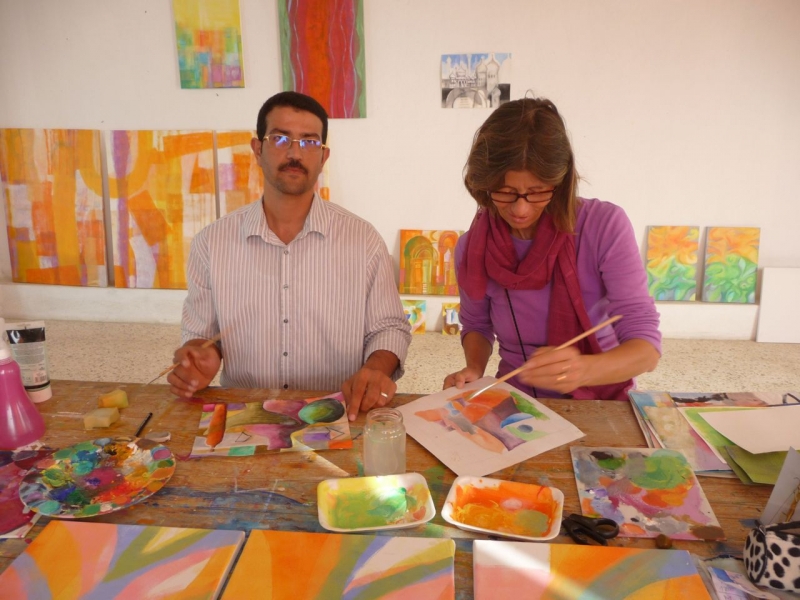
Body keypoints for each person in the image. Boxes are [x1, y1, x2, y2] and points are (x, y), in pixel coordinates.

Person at [168, 92, 411, 420]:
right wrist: (200, 357)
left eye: (309, 142)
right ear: (258, 149)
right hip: (246, 416)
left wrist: (375, 370)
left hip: (339, 412)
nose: (295, 153)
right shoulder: (212, 243)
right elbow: (200, 334)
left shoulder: (362, 240)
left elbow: (389, 327)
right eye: (280, 139)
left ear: (323, 156)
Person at [443, 96, 661, 400]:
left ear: (560, 183)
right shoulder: (473, 247)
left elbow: (646, 349)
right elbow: (477, 325)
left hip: (601, 398)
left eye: (536, 192)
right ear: (482, 185)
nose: (520, 209)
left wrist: (584, 370)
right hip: (518, 399)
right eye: (505, 192)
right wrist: (474, 368)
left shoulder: (603, 225)